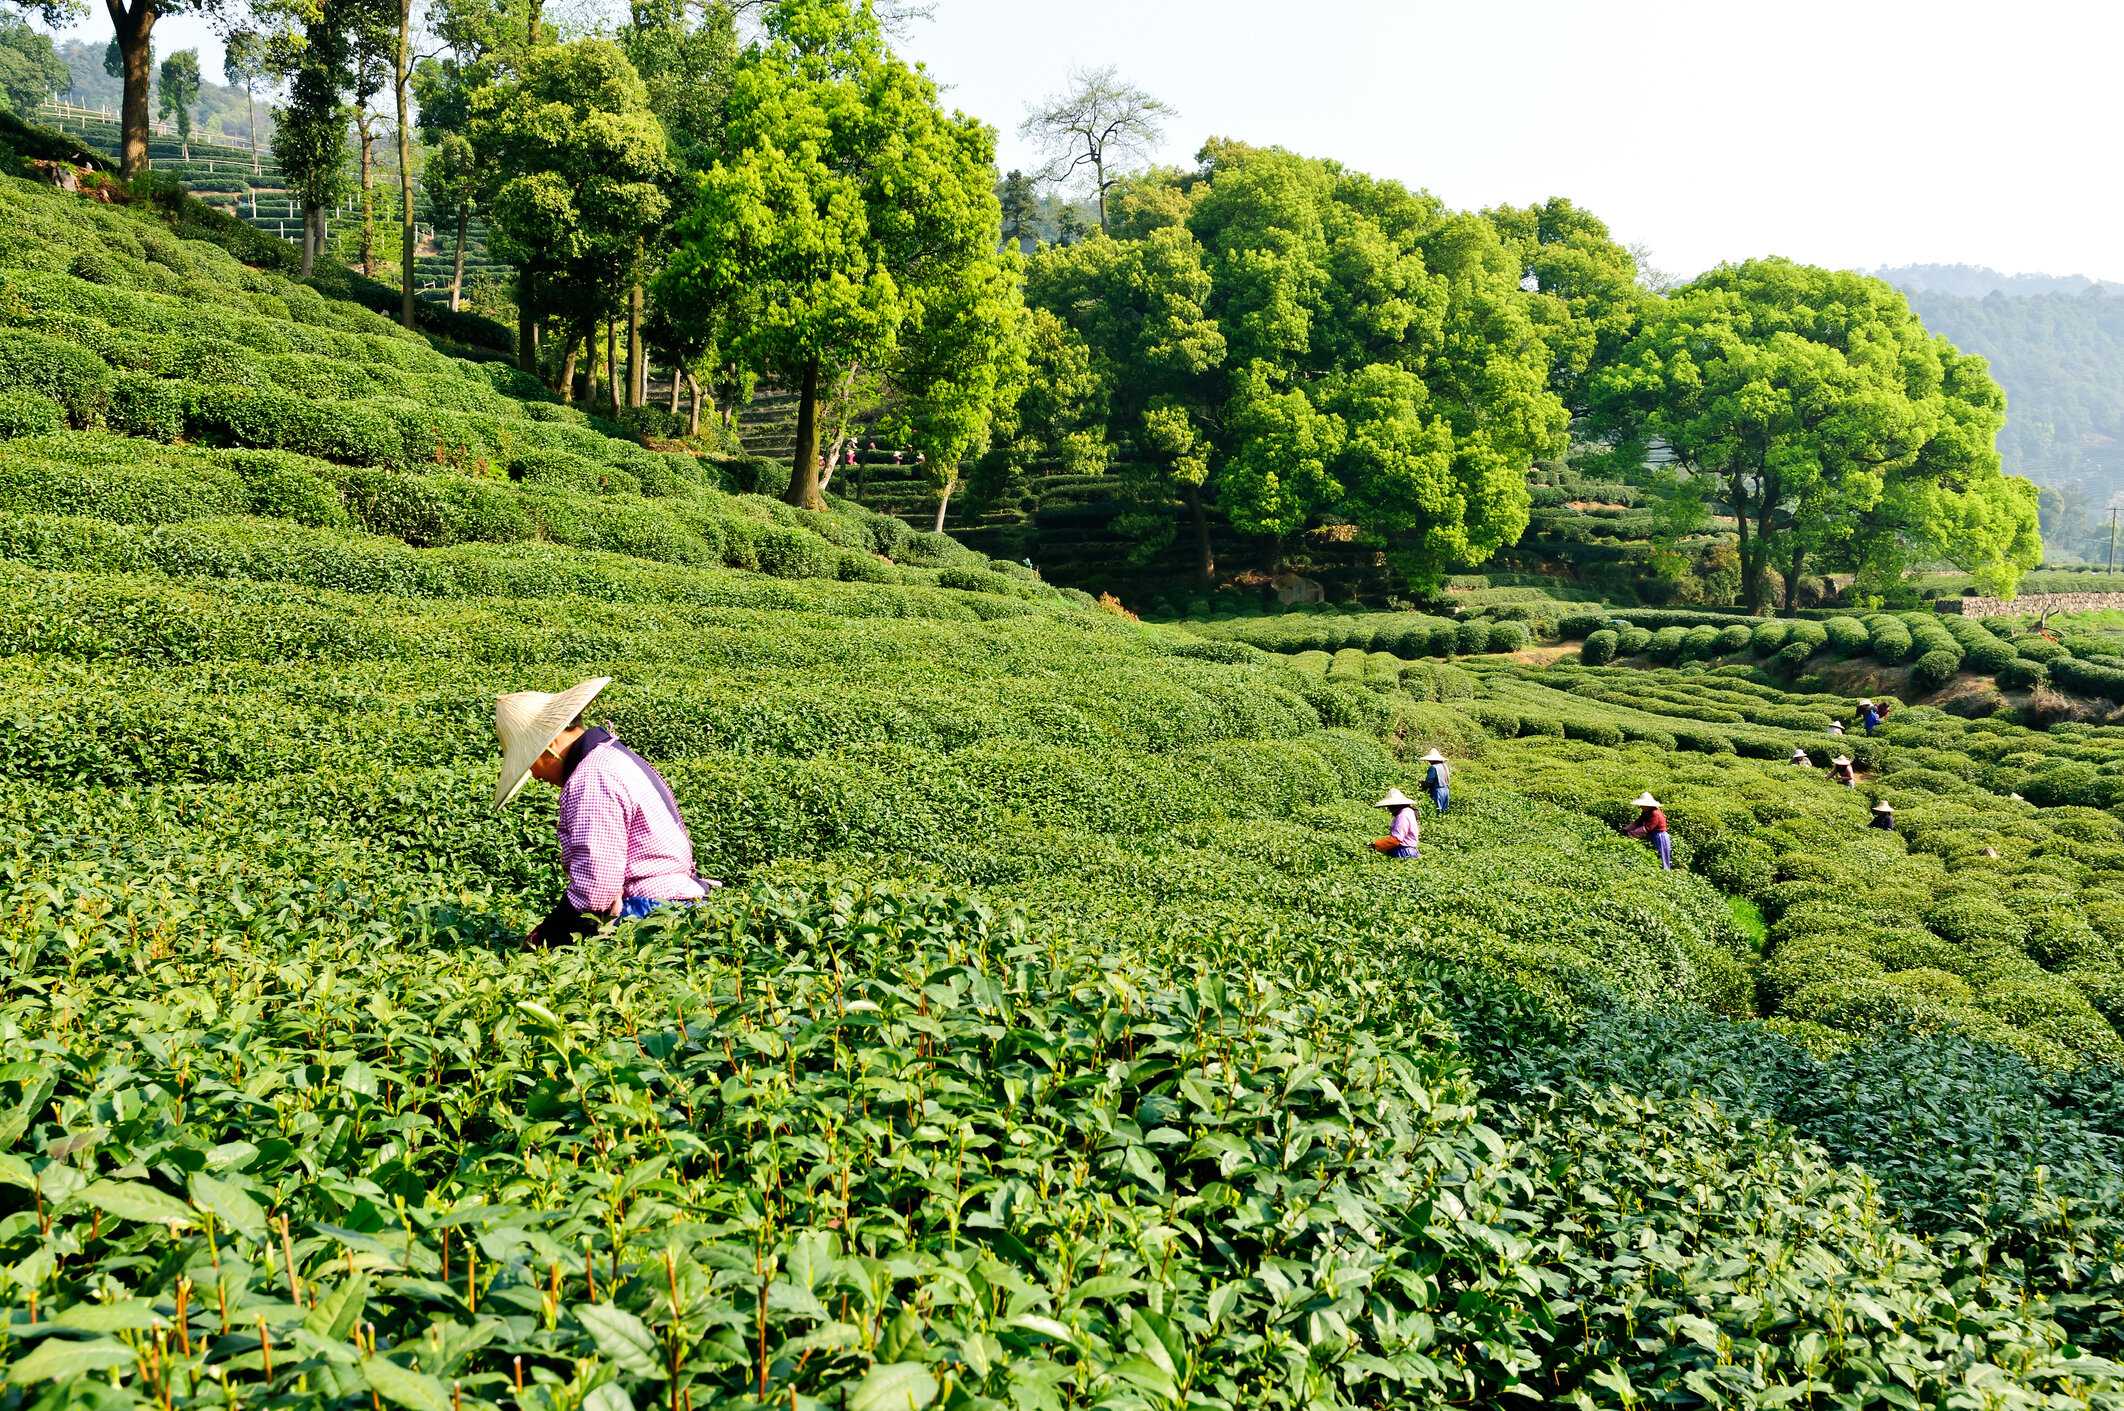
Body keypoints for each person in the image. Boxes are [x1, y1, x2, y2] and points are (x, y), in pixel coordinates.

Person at [494, 676, 717, 946]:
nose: (534, 774)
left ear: (549, 747)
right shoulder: (611, 755)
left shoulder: (591, 778)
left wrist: (549, 934)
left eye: (530, 762)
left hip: (651, 913)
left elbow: (595, 889)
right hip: (678, 903)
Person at [1621, 792, 1672, 870]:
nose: (1640, 806)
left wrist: (1631, 834)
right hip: (1652, 834)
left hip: (1660, 836)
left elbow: (1648, 828)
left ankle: (1666, 872)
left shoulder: (1655, 813)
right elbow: (1638, 822)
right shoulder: (1646, 812)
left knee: (1662, 856)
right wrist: (1626, 829)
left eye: (1642, 805)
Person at [1372, 788, 1421, 859]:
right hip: (1409, 850)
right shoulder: (1408, 811)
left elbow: (1395, 840)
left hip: (1403, 851)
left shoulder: (1403, 816)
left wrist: (1375, 846)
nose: (1389, 809)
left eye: (1390, 806)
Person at [1421, 749, 1451, 814]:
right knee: (1444, 811)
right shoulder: (1445, 766)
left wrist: (1422, 785)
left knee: (1437, 811)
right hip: (1446, 790)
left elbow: (1429, 782)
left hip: (1438, 791)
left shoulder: (1433, 768)